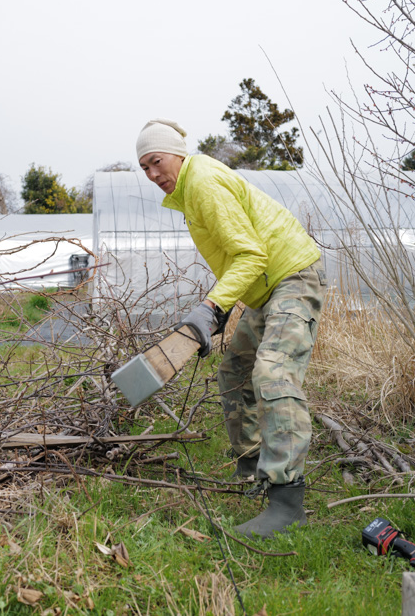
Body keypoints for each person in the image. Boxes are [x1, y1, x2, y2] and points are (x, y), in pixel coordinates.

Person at [136, 118, 325, 539]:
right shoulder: (189, 189)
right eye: (144, 168)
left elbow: (251, 255)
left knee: (273, 374)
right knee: (234, 371)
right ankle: (254, 466)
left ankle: (286, 501)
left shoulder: (201, 182)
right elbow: (240, 260)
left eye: (156, 161)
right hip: (265, 290)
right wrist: (217, 315)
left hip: (291, 277)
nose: (152, 174)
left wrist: (211, 307)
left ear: (176, 154)